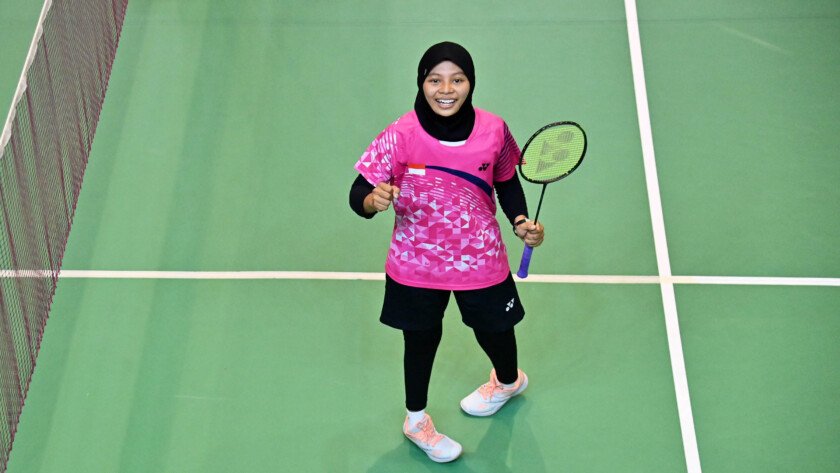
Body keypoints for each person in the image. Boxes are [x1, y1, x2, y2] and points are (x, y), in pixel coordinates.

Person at [348, 41, 544, 463]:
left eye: (457, 79)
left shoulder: (494, 130)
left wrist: (520, 221)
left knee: (495, 330)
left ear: (471, 83)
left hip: (480, 258)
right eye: (435, 80)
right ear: (422, 83)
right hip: (416, 262)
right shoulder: (400, 134)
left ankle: (508, 382)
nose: (446, 89)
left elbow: (507, 180)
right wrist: (371, 201)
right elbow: (358, 192)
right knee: (420, 339)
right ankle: (416, 420)